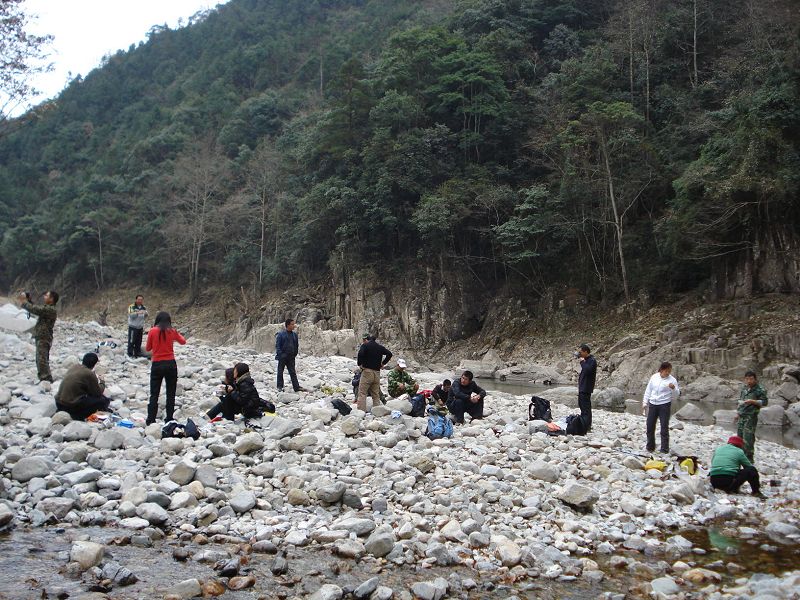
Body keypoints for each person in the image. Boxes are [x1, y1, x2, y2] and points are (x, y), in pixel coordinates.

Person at [145, 311, 186, 425]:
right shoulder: (171, 331)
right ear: (169, 321)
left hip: (157, 364)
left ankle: (151, 419)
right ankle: (169, 418)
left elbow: (148, 348)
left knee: (154, 393)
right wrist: (175, 333)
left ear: (157, 320)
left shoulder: (153, 331)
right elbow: (183, 341)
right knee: (171, 393)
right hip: (170, 364)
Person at [54, 352, 110, 420]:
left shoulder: (74, 367)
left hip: (59, 403)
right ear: (94, 364)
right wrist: (102, 382)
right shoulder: (89, 373)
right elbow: (97, 393)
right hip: (70, 406)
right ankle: (79, 416)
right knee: (103, 400)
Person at [18, 290, 59, 382]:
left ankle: (45, 378)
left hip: (44, 336)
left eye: (46, 295)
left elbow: (36, 310)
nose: (44, 296)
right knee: (41, 358)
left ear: (51, 299)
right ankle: (45, 376)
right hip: (42, 336)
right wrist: (28, 301)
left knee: (41, 359)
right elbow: (36, 308)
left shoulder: (50, 309)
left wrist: (24, 302)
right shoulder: (48, 308)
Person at [642, 361, 680, 453]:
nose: (668, 373)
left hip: (664, 404)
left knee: (664, 427)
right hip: (653, 404)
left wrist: (673, 388)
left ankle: (664, 449)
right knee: (650, 425)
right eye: (666, 371)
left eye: (669, 371)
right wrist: (644, 402)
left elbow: (677, 395)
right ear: (661, 370)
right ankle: (650, 446)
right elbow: (648, 390)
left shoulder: (672, 380)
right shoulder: (654, 377)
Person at [356, 333, 392, 412]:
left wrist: (360, 364)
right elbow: (389, 354)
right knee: (375, 394)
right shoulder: (379, 347)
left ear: (366, 340)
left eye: (363, 340)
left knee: (362, 393)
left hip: (367, 372)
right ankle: (377, 411)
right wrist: (383, 363)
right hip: (377, 373)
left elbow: (360, 353)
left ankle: (361, 412)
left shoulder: (365, 345)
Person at [737, 370, 768, 462]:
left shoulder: (760, 389)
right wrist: (737, 413)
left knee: (748, 437)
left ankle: (749, 459)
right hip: (742, 415)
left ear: (755, 379)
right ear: (745, 380)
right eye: (747, 379)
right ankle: (740, 456)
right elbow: (740, 401)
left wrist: (753, 401)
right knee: (739, 437)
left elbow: (765, 402)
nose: (749, 381)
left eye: (751, 379)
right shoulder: (744, 389)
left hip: (751, 416)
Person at [276, 318, 303, 392]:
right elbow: (278, 346)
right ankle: (280, 386)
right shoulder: (281, 334)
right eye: (292, 324)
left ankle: (296, 387)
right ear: (288, 325)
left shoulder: (294, 335)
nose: (294, 326)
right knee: (280, 372)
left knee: (293, 372)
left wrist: (295, 353)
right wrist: (281, 354)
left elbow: (296, 345)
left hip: (291, 357)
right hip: (283, 356)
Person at [576, 344, 597, 432]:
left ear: (585, 352)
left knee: (586, 408)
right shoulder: (587, 360)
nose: (579, 354)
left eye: (581, 352)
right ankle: (584, 423)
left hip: (586, 388)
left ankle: (587, 425)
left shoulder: (592, 360)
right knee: (582, 406)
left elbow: (587, 370)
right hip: (583, 388)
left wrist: (582, 362)